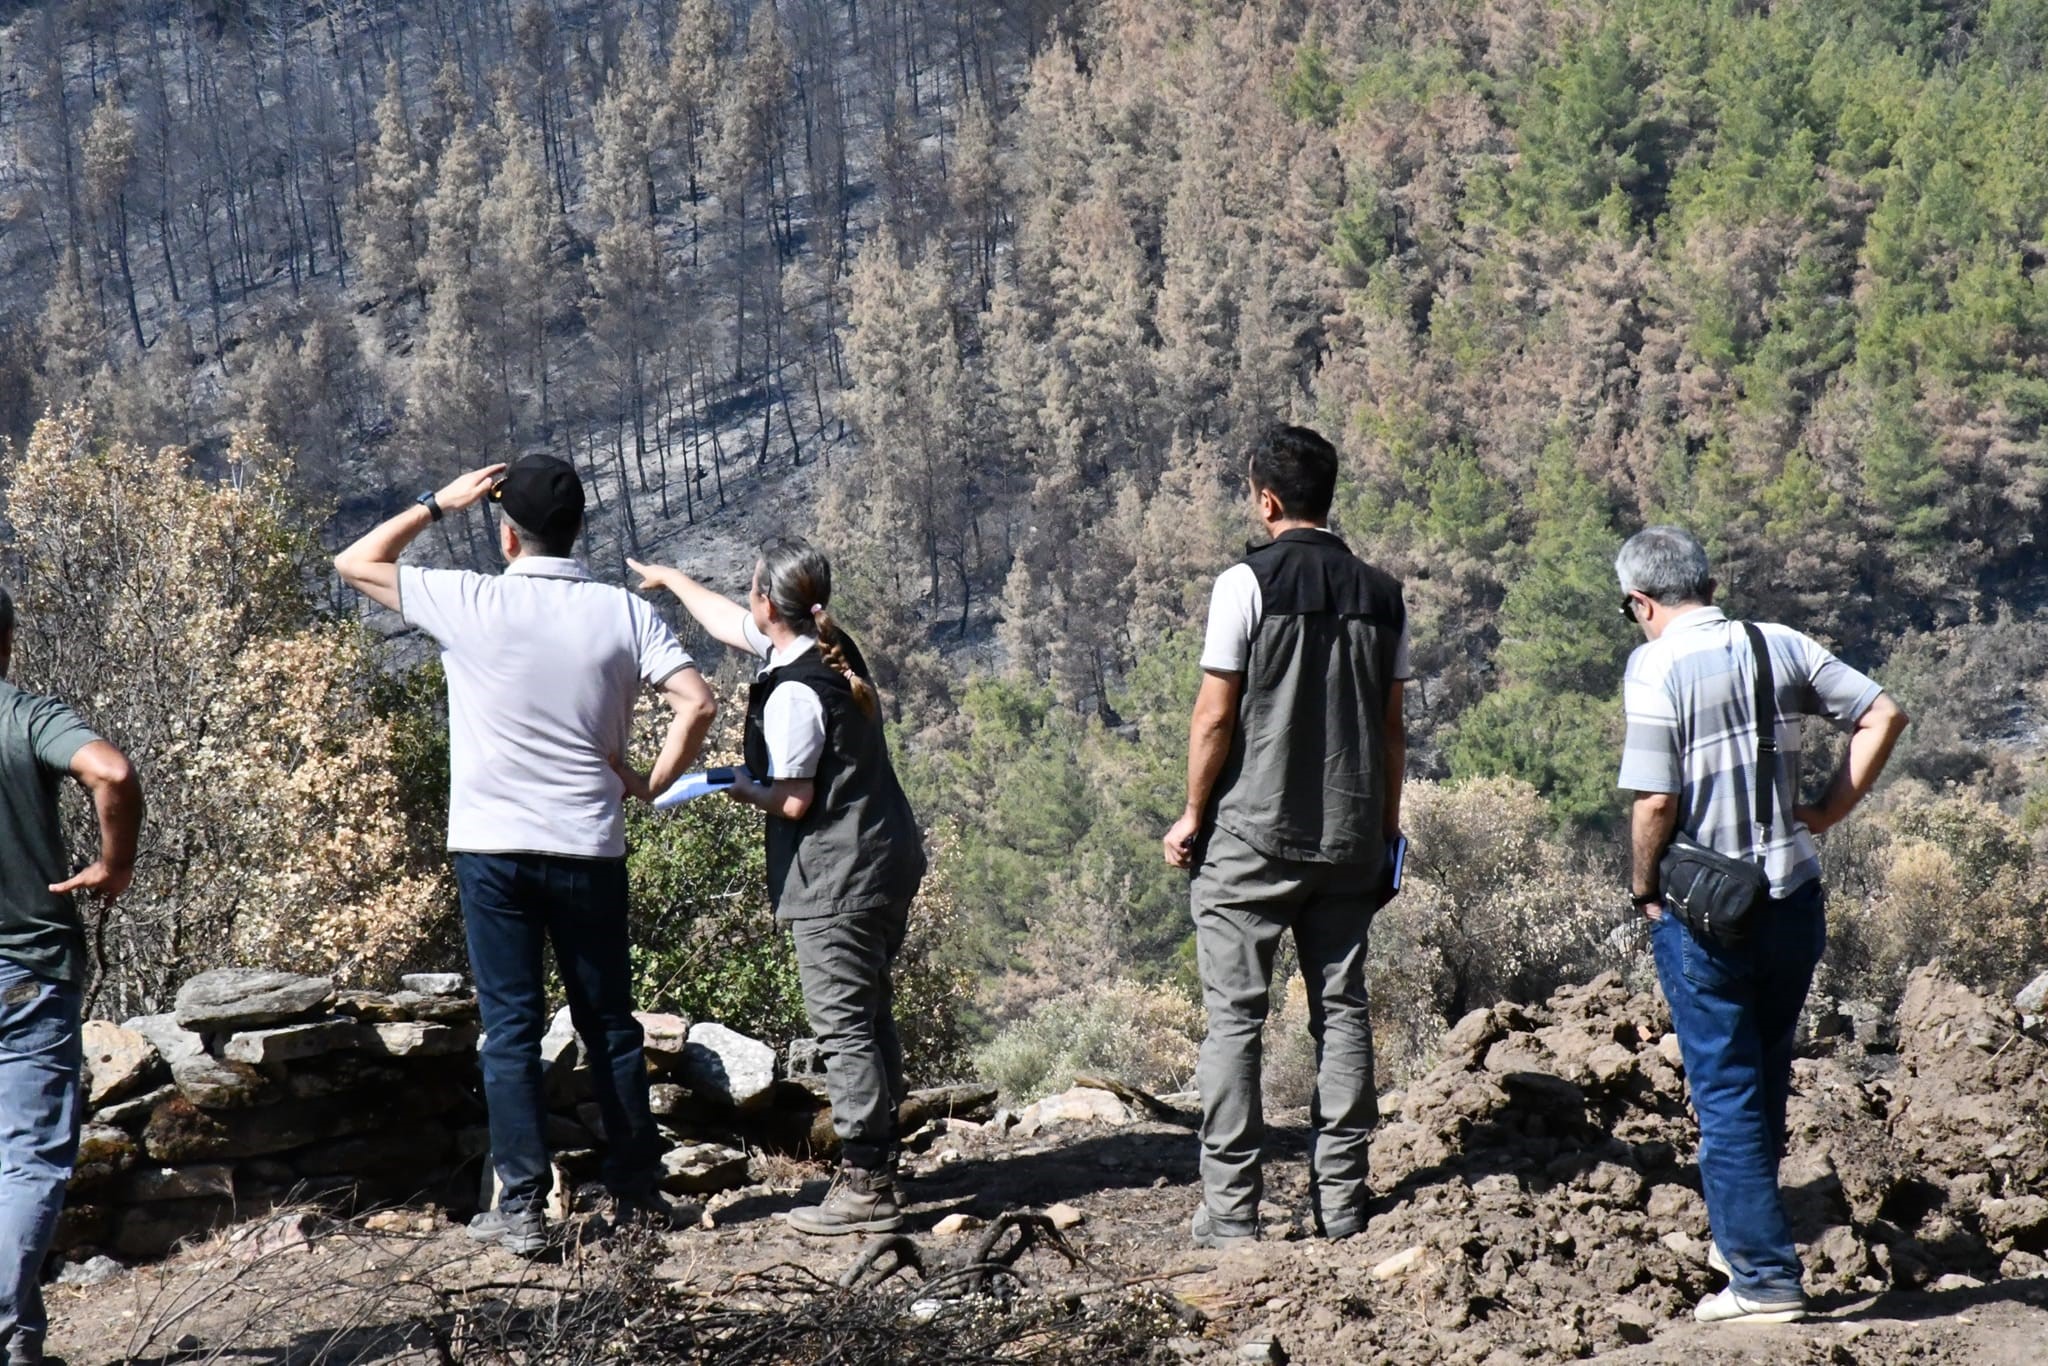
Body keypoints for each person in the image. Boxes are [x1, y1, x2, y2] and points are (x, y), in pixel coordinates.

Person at [334, 454, 716, 1255]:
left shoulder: (469, 599)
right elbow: (697, 701)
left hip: (492, 849)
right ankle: (638, 1196)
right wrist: (649, 782)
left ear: (508, 537)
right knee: (610, 1024)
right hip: (587, 843)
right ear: (580, 530)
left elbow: (355, 562)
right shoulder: (623, 614)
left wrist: (437, 503)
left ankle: (522, 1211)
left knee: (510, 1028)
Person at [1616, 525, 1907, 1325]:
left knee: (1726, 1089)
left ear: (1641, 601)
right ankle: (1743, 1235)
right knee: (1765, 1071)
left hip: (1709, 913)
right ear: (1704, 583)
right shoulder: (1779, 642)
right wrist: (1825, 811)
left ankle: (1762, 1280)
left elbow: (1653, 801)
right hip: (1792, 899)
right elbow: (1883, 713)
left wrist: (1644, 888)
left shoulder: (1654, 666)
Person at [623, 537, 925, 1236]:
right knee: (871, 1014)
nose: (746, 606)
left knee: (844, 1026)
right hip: (883, 857)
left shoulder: (793, 691)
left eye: (752, 592)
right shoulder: (825, 648)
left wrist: (736, 786)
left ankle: (868, 1185)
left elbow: (791, 800)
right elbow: (732, 622)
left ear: (769, 605)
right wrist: (673, 581)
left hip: (836, 876)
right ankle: (880, 1156)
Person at [1163, 424, 1410, 1248]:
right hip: (1350, 839)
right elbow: (1392, 730)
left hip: (1252, 837)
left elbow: (1214, 716)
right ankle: (1341, 1203)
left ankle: (1233, 1216)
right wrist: (1384, 830)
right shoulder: (1382, 593)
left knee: (1235, 1019)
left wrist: (1195, 815)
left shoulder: (1245, 584)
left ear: (1267, 500)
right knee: (1343, 1011)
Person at [0, 587, 143, 1366]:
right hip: (26, 967)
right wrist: (113, 866)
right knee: (25, 1158)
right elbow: (112, 774)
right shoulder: (25, 717)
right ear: (7, 639)